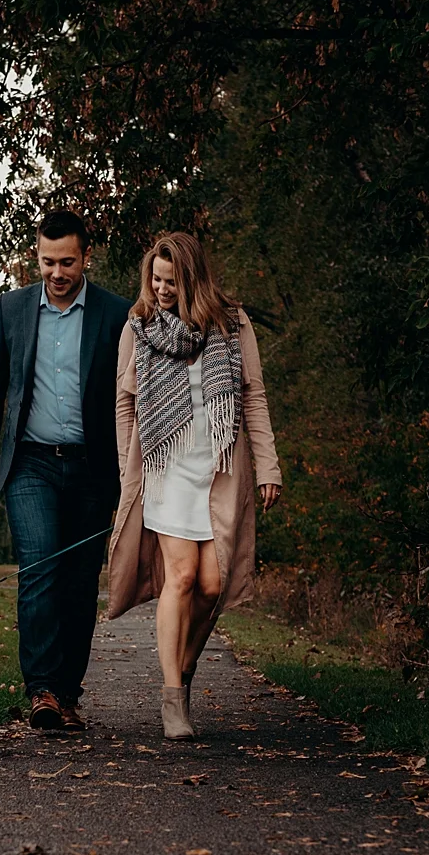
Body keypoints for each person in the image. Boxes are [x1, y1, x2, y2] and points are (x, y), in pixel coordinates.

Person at [105, 232, 282, 739]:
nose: (161, 289)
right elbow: (124, 403)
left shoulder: (232, 323)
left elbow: (252, 396)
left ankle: (182, 667)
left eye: (171, 281)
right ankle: (172, 701)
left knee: (211, 584)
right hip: (165, 469)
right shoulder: (138, 327)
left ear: (193, 279)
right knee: (180, 577)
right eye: (155, 279)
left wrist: (268, 465)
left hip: (219, 467)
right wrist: (127, 472)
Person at [0, 210, 134, 732]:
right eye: (47, 261)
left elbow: (132, 395)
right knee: (39, 570)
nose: (56, 272)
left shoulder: (116, 314)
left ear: (86, 257)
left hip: (92, 469)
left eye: (67, 261)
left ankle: (67, 691)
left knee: (80, 583)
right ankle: (40, 690)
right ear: (36, 257)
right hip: (31, 465)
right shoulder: (13, 309)